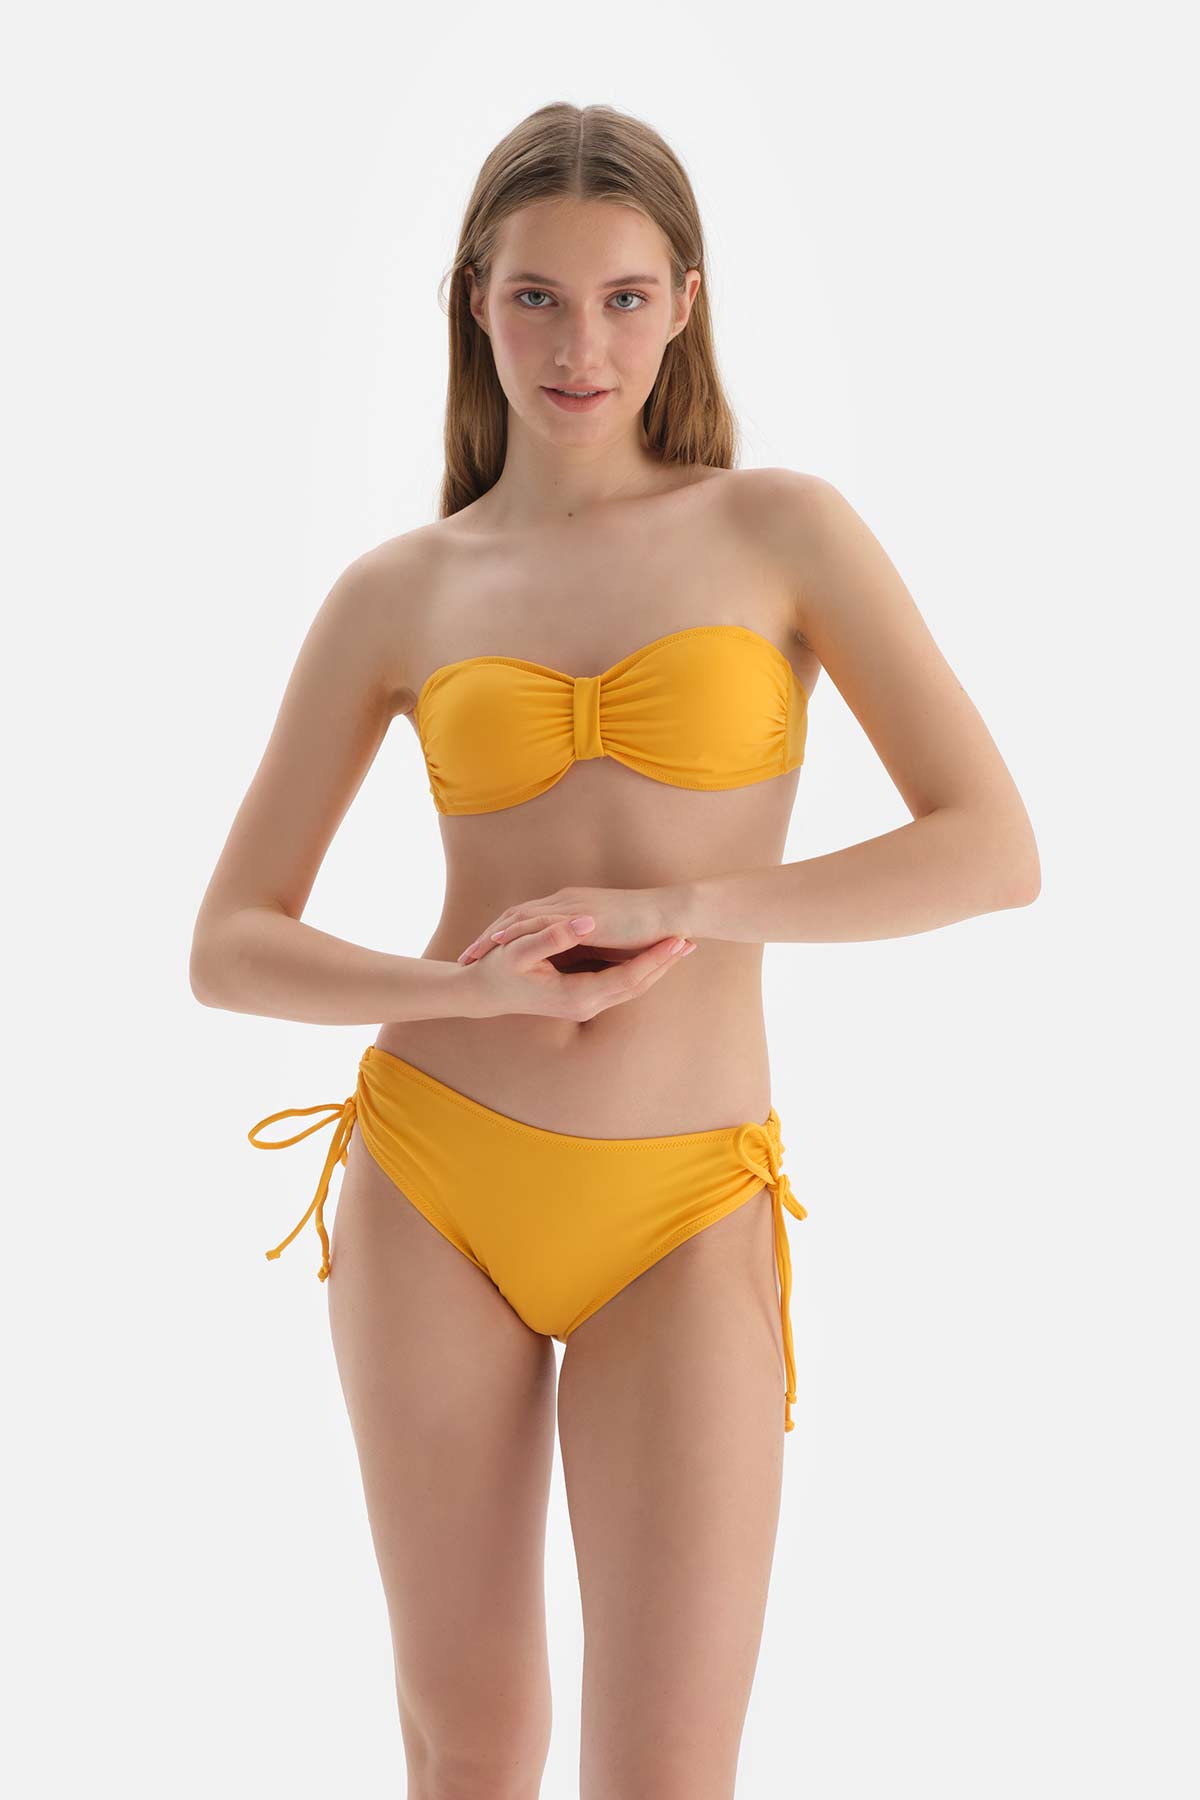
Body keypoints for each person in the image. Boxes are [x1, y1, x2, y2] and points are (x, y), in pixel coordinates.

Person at [190, 101, 1040, 1800]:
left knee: (667, 1772)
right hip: (437, 1177)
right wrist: (458, 989)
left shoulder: (783, 531)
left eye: (625, 299)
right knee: (471, 1748)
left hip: (684, 1196)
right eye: (538, 299)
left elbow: (991, 847)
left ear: (686, 304)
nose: (582, 347)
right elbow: (230, 943)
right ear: (475, 302)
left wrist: (693, 906)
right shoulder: (397, 591)